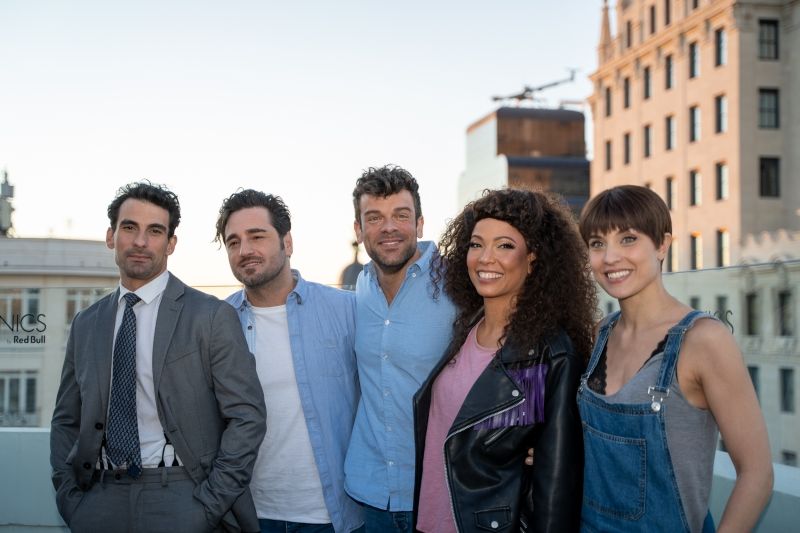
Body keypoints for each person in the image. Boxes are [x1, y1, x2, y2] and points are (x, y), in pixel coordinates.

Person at [50, 181, 267, 533]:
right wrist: (72, 500)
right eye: (129, 228)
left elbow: (247, 416)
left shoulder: (209, 316)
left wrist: (208, 506)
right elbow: (65, 419)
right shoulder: (86, 323)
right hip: (98, 500)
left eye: (155, 231)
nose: (140, 242)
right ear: (111, 236)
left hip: (183, 495)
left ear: (171, 244)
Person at [577, 185, 773, 532]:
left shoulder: (704, 340)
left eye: (628, 239)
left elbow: (757, 474)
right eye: (597, 243)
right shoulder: (598, 334)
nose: (609, 258)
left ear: (662, 244)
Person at [413, 188, 594, 533]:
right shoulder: (467, 326)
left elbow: (554, 489)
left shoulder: (545, 354)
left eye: (505, 245)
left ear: (533, 258)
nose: (485, 258)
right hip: (429, 520)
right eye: (477, 244)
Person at [215, 189, 363, 533]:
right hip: (248, 514)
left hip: (333, 515)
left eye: (257, 236)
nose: (245, 250)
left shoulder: (346, 311)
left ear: (287, 242)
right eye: (233, 242)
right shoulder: (217, 322)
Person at [344, 165, 457, 532]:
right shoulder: (356, 291)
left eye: (401, 215)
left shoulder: (458, 285)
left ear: (420, 223)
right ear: (359, 231)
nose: (388, 227)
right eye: (374, 218)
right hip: (370, 494)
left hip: (441, 492)